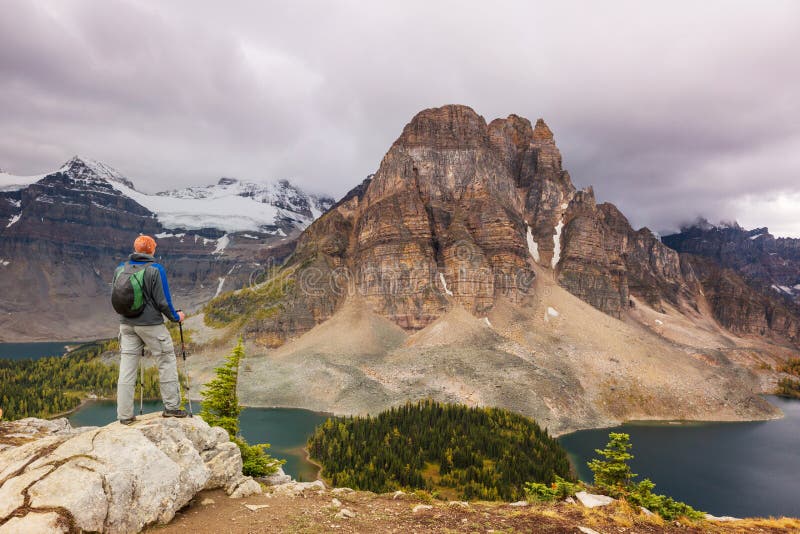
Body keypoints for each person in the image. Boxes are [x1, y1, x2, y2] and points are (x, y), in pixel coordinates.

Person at [113, 235, 187, 424]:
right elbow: (163, 301)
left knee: (127, 368)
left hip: (126, 325)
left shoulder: (120, 269)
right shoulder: (155, 270)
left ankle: (124, 415)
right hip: (151, 326)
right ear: (152, 250)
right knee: (166, 361)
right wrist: (175, 317)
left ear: (135, 249)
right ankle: (171, 408)